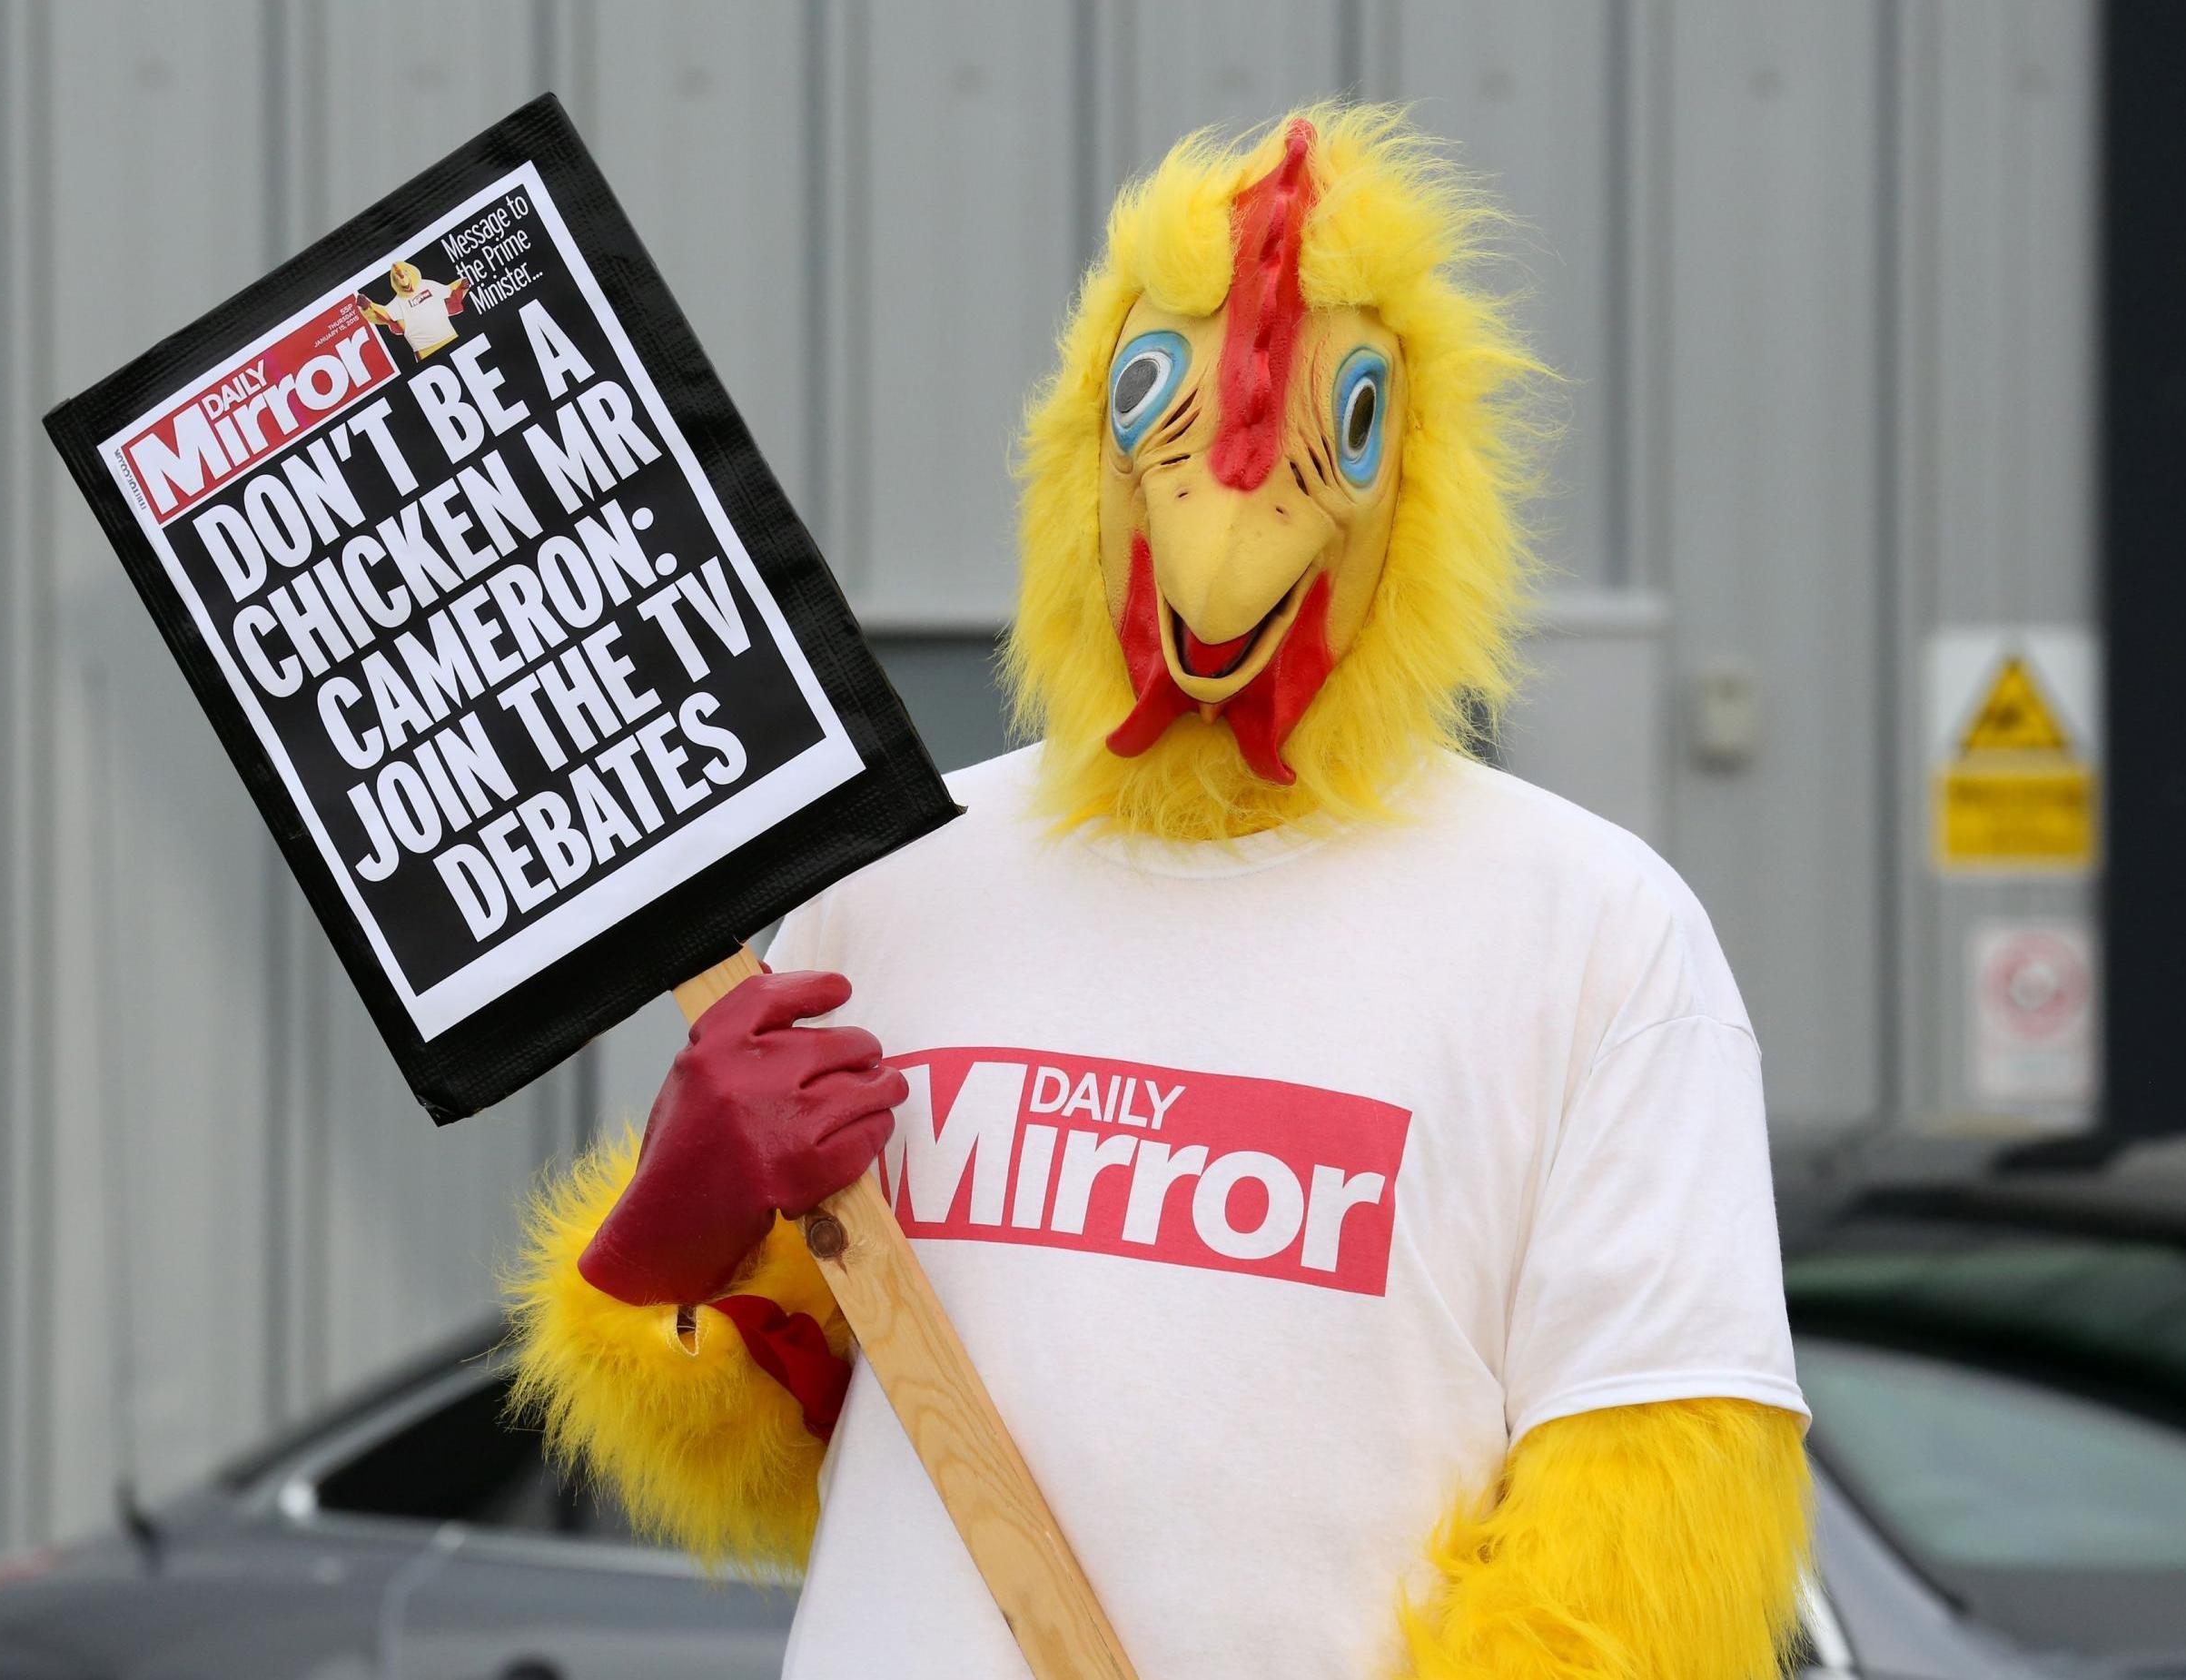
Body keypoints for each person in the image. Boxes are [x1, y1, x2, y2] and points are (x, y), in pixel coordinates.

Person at [510, 104, 1812, 1680]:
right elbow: (799, 1460)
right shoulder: (900, 881)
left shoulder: (1592, 931)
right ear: (1087, 445)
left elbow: (1644, 1540)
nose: (1223, 518)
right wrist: (674, 1238)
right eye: (1158, 409)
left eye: (1344, 428)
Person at [354, 259, 468, 361]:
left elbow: (450, 292)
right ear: (394, 281)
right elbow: (381, 315)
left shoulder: (429, 285)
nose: (402, 280)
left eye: (405, 273)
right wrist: (366, 307)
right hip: (425, 352)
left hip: (450, 337)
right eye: (396, 278)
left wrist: (463, 284)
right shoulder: (396, 304)